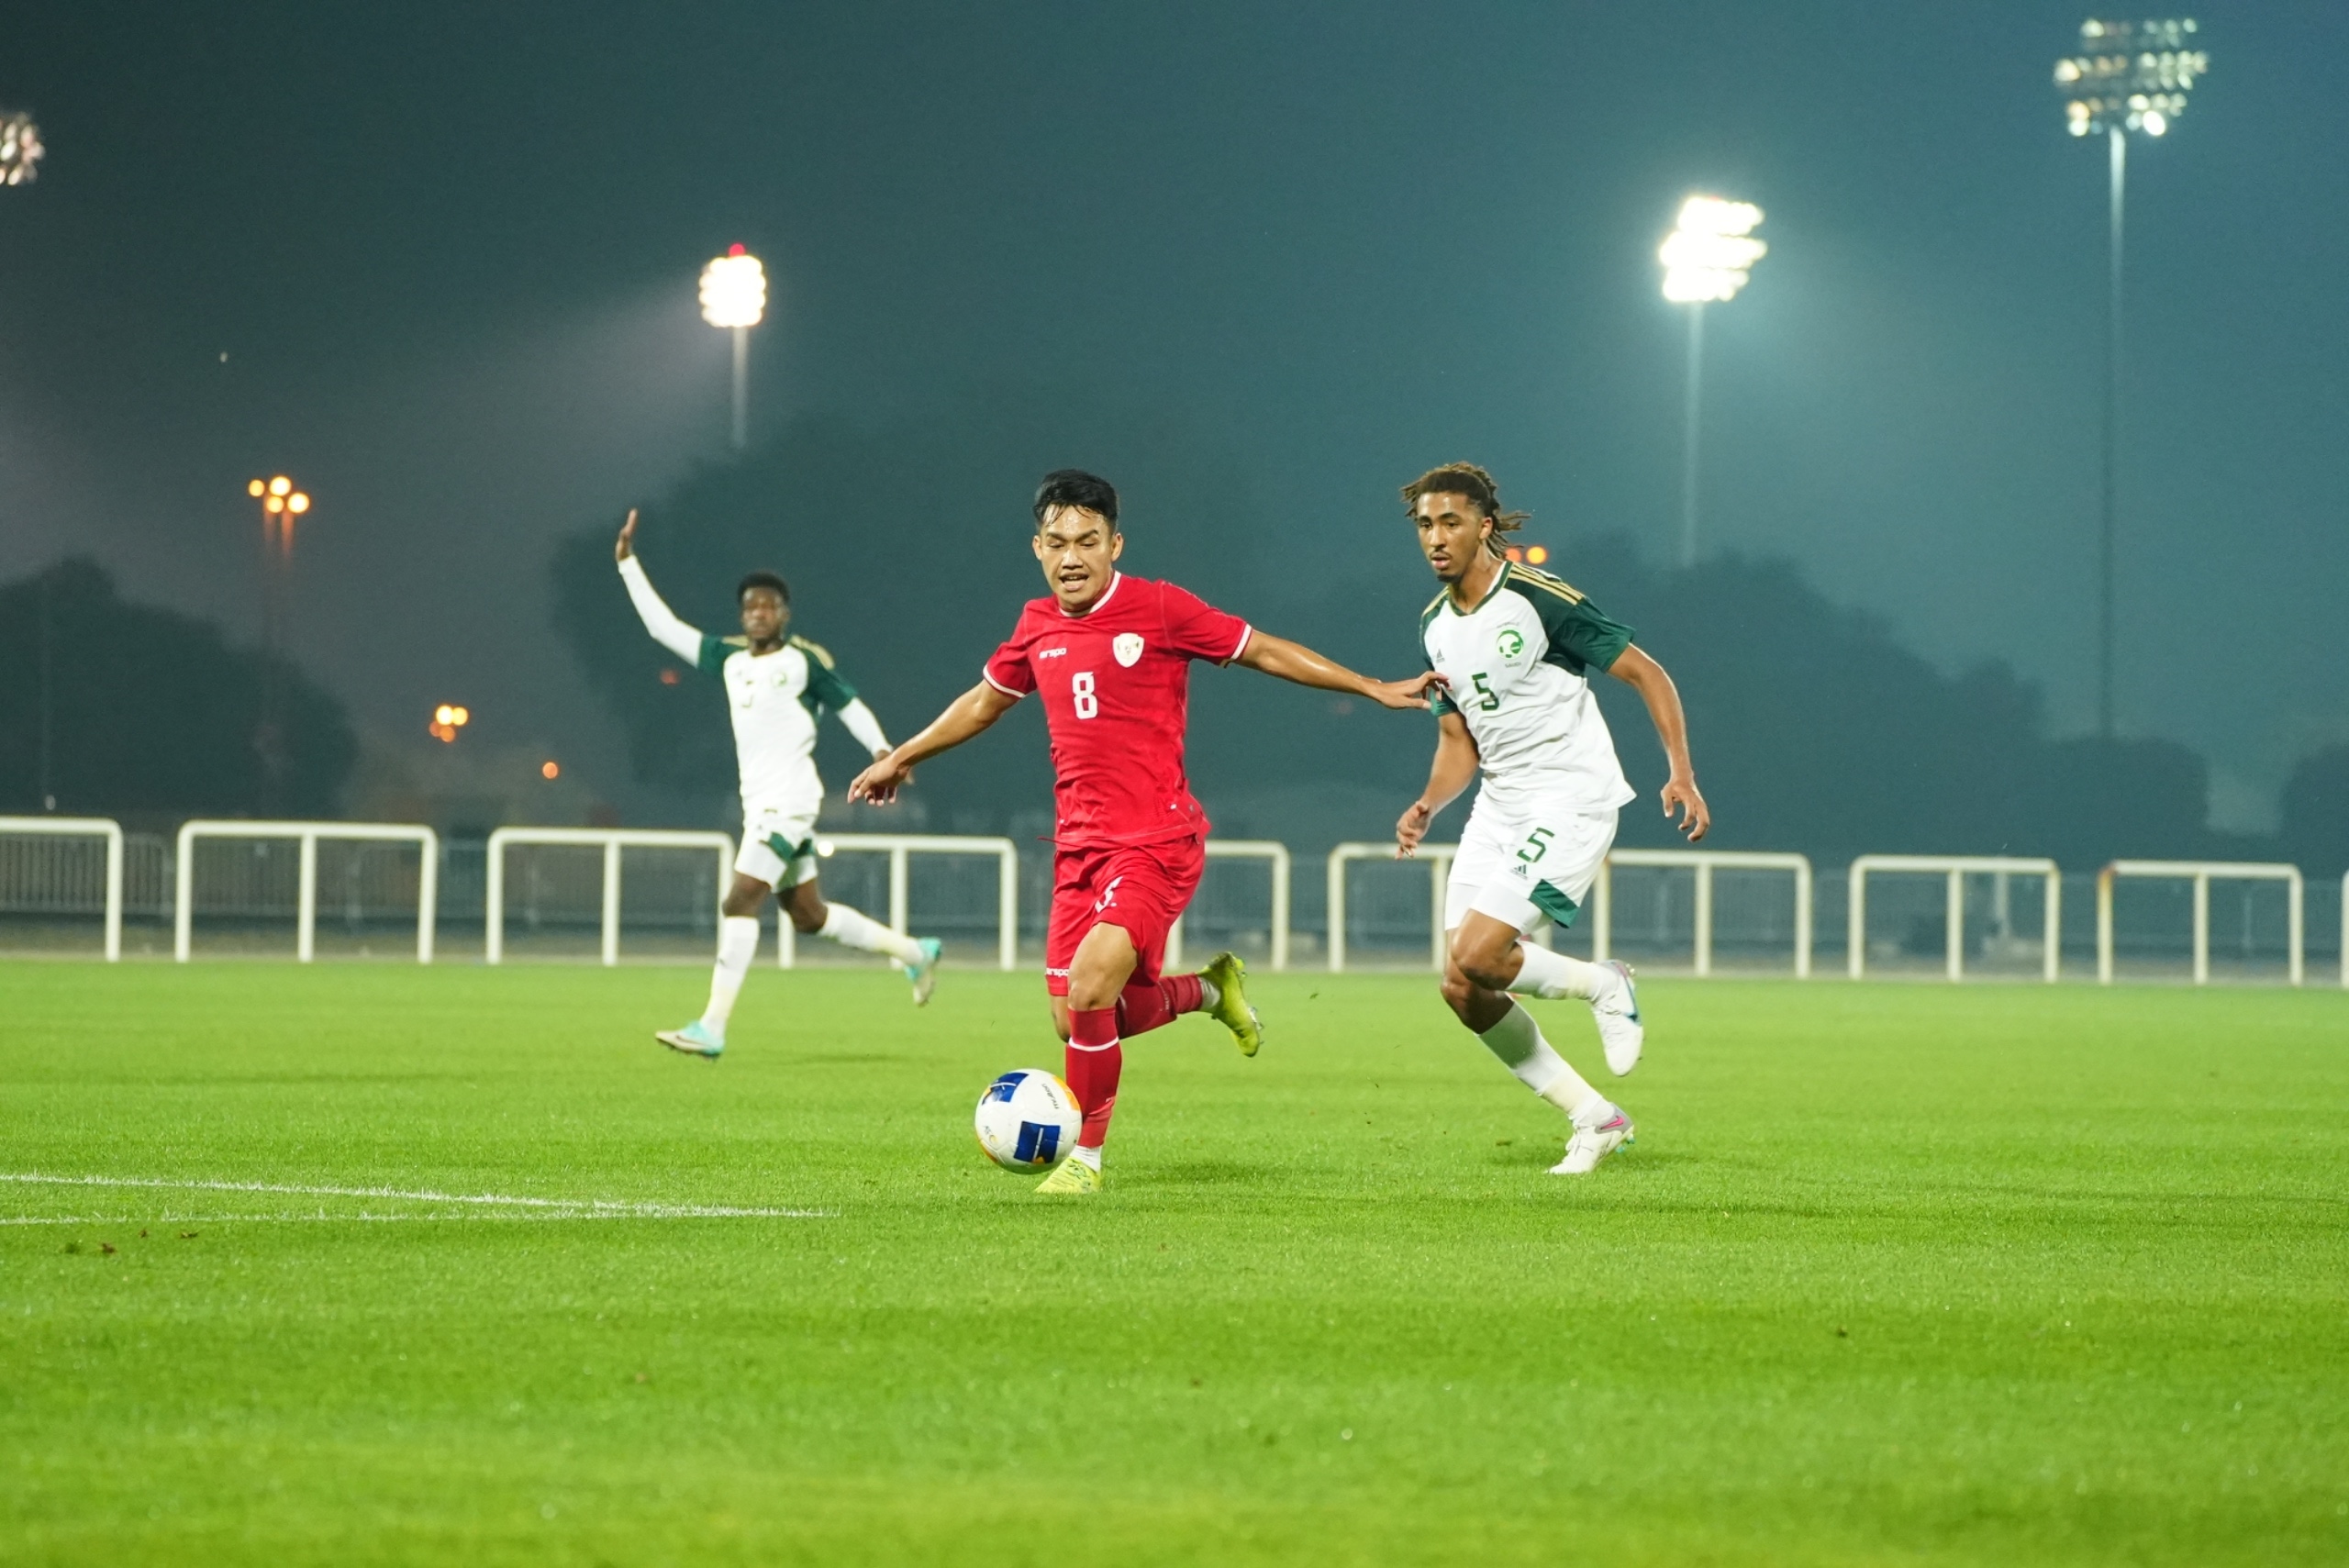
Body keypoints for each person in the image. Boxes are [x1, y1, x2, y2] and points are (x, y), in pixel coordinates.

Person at [850, 470, 1438, 1194]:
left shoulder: (1158, 607)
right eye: (1058, 542)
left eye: (1088, 541)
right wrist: (901, 757)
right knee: (1075, 1021)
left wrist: (1371, 686)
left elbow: (1263, 648)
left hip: (1156, 841)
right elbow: (982, 703)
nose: (1073, 556)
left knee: (1095, 985)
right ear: (1037, 547)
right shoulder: (1036, 624)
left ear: (1114, 543)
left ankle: (1084, 1161)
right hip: (1078, 849)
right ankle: (1210, 993)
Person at [1391, 463, 1709, 1175]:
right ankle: (1595, 1118)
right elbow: (1457, 741)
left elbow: (1647, 672)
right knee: (1461, 984)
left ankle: (1606, 984)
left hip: (1570, 795)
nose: (1436, 538)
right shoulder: (1434, 627)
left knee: (1479, 954)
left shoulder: (1538, 599)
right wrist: (1427, 805)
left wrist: (1680, 770)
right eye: (1424, 525)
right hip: (1500, 804)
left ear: (1484, 525)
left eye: (1450, 522)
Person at [616, 508, 941, 1059]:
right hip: (760, 805)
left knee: (740, 899)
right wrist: (628, 565)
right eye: (749, 607)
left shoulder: (803, 663)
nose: (758, 613)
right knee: (808, 915)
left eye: (768, 605)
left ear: (784, 613)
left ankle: (712, 1027)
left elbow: (850, 704)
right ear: (742, 616)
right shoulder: (728, 660)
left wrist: (884, 751)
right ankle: (914, 951)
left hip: (789, 802)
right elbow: (661, 628)